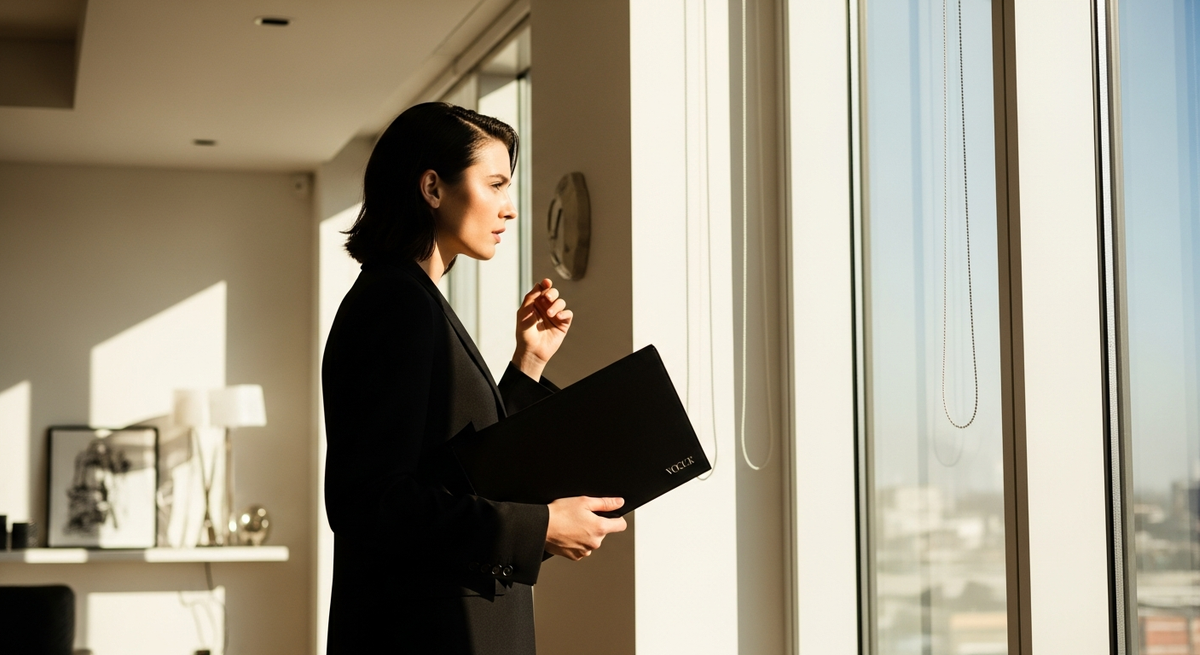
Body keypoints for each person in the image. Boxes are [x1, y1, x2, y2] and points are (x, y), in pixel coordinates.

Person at [321, 102, 628, 654]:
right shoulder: (397, 304)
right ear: (433, 188)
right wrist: (538, 529)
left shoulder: (411, 300)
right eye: (494, 184)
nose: (509, 210)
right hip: (429, 635)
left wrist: (528, 362)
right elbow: (367, 502)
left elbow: (459, 467)